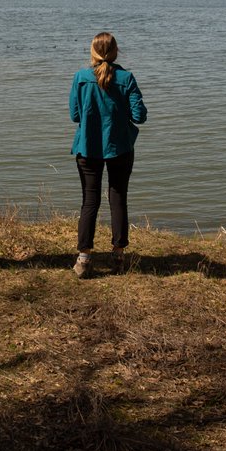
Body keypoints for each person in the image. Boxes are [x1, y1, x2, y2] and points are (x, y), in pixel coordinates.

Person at [68, 32, 147, 279]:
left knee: (89, 201)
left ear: (92, 51)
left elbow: (74, 115)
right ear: (116, 51)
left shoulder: (81, 78)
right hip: (119, 147)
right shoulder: (126, 78)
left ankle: (83, 258)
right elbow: (140, 116)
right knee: (118, 197)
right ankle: (118, 255)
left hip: (88, 146)